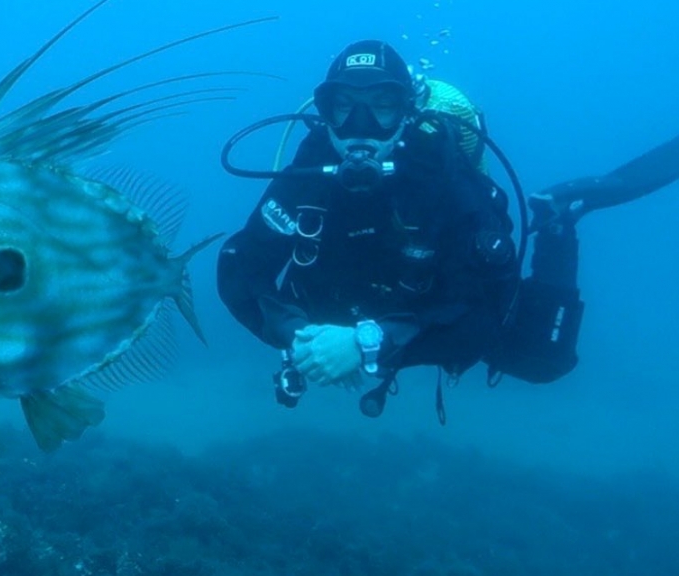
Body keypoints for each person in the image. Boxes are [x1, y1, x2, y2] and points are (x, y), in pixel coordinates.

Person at [216, 39, 679, 419]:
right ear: (325, 113)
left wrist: (366, 342)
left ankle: (558, 218)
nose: (361, 127)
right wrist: (293, 332)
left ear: (406, 113)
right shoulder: (309, 171)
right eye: (343, 107)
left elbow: (481, 313)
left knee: (543, 362)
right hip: (330, 314)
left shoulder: (439, 175)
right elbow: (240, 265)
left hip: (425, 311)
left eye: (382, 106)